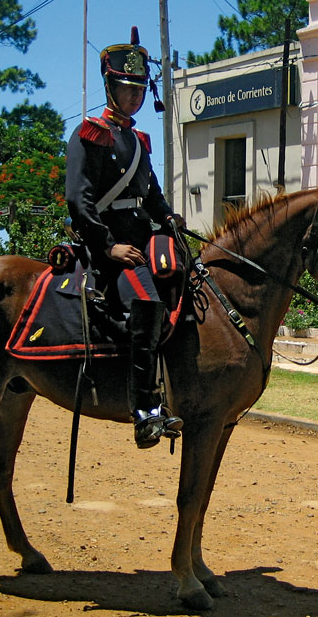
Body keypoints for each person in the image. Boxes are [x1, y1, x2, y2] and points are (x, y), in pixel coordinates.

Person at [66, 27, 184, 449]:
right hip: (111, 250)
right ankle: (144, 410)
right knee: (148, 301)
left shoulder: (138, 141)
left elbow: (151, 196)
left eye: (138, 89)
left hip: (143, 241)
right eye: (125, 88)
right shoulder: (89, 134)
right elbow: (78, 202)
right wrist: (108, 246)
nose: (133, 96)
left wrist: (170, 219)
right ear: (109, 87)